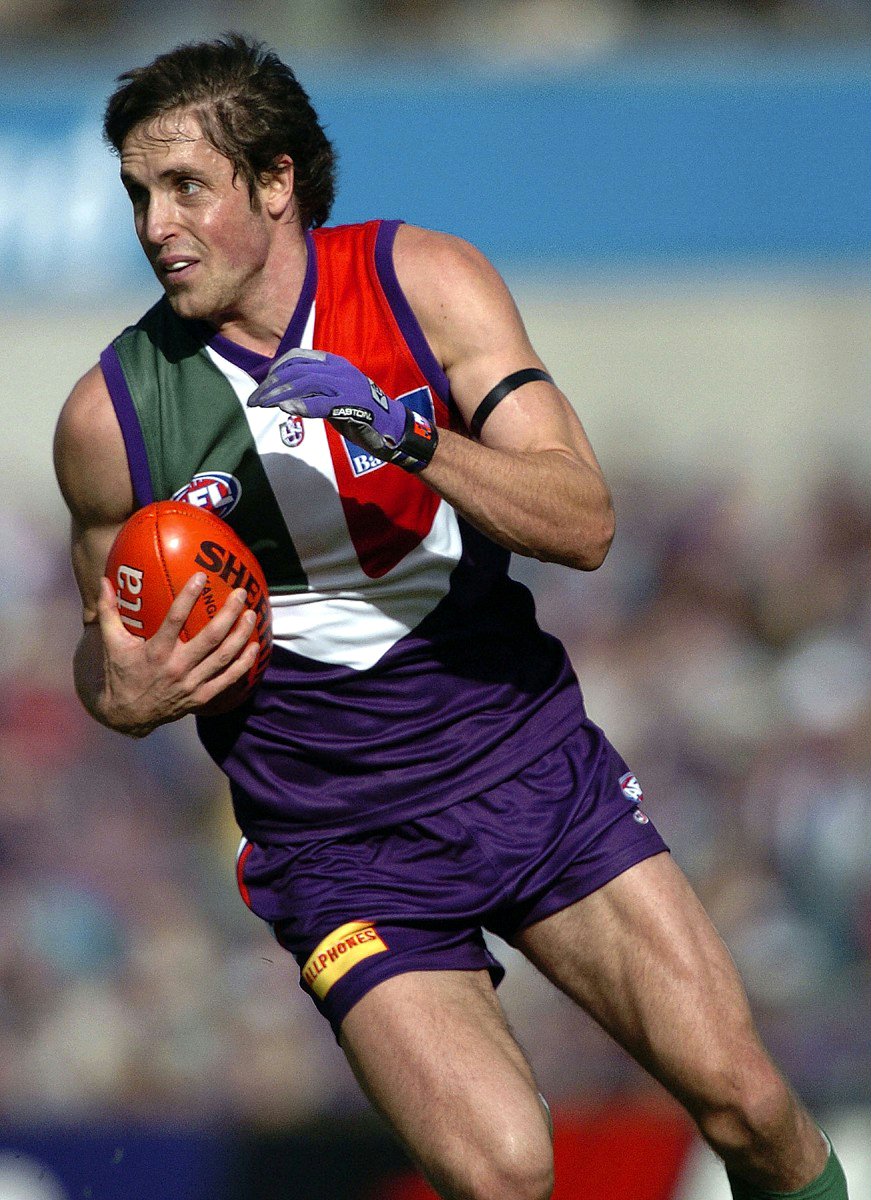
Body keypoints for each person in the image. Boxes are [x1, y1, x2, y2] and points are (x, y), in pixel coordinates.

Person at [53, 33, 848, 1200]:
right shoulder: (110, 416)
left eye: (186, 187)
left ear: (275, 183)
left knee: (750, 1103)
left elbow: (583, 520)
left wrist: (411, 437)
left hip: (530, 771)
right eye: (137, 194)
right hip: (337, 845)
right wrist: (121, 693)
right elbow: (103, 655)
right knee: (505, 1174)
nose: (154, 225)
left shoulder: (422, 283)